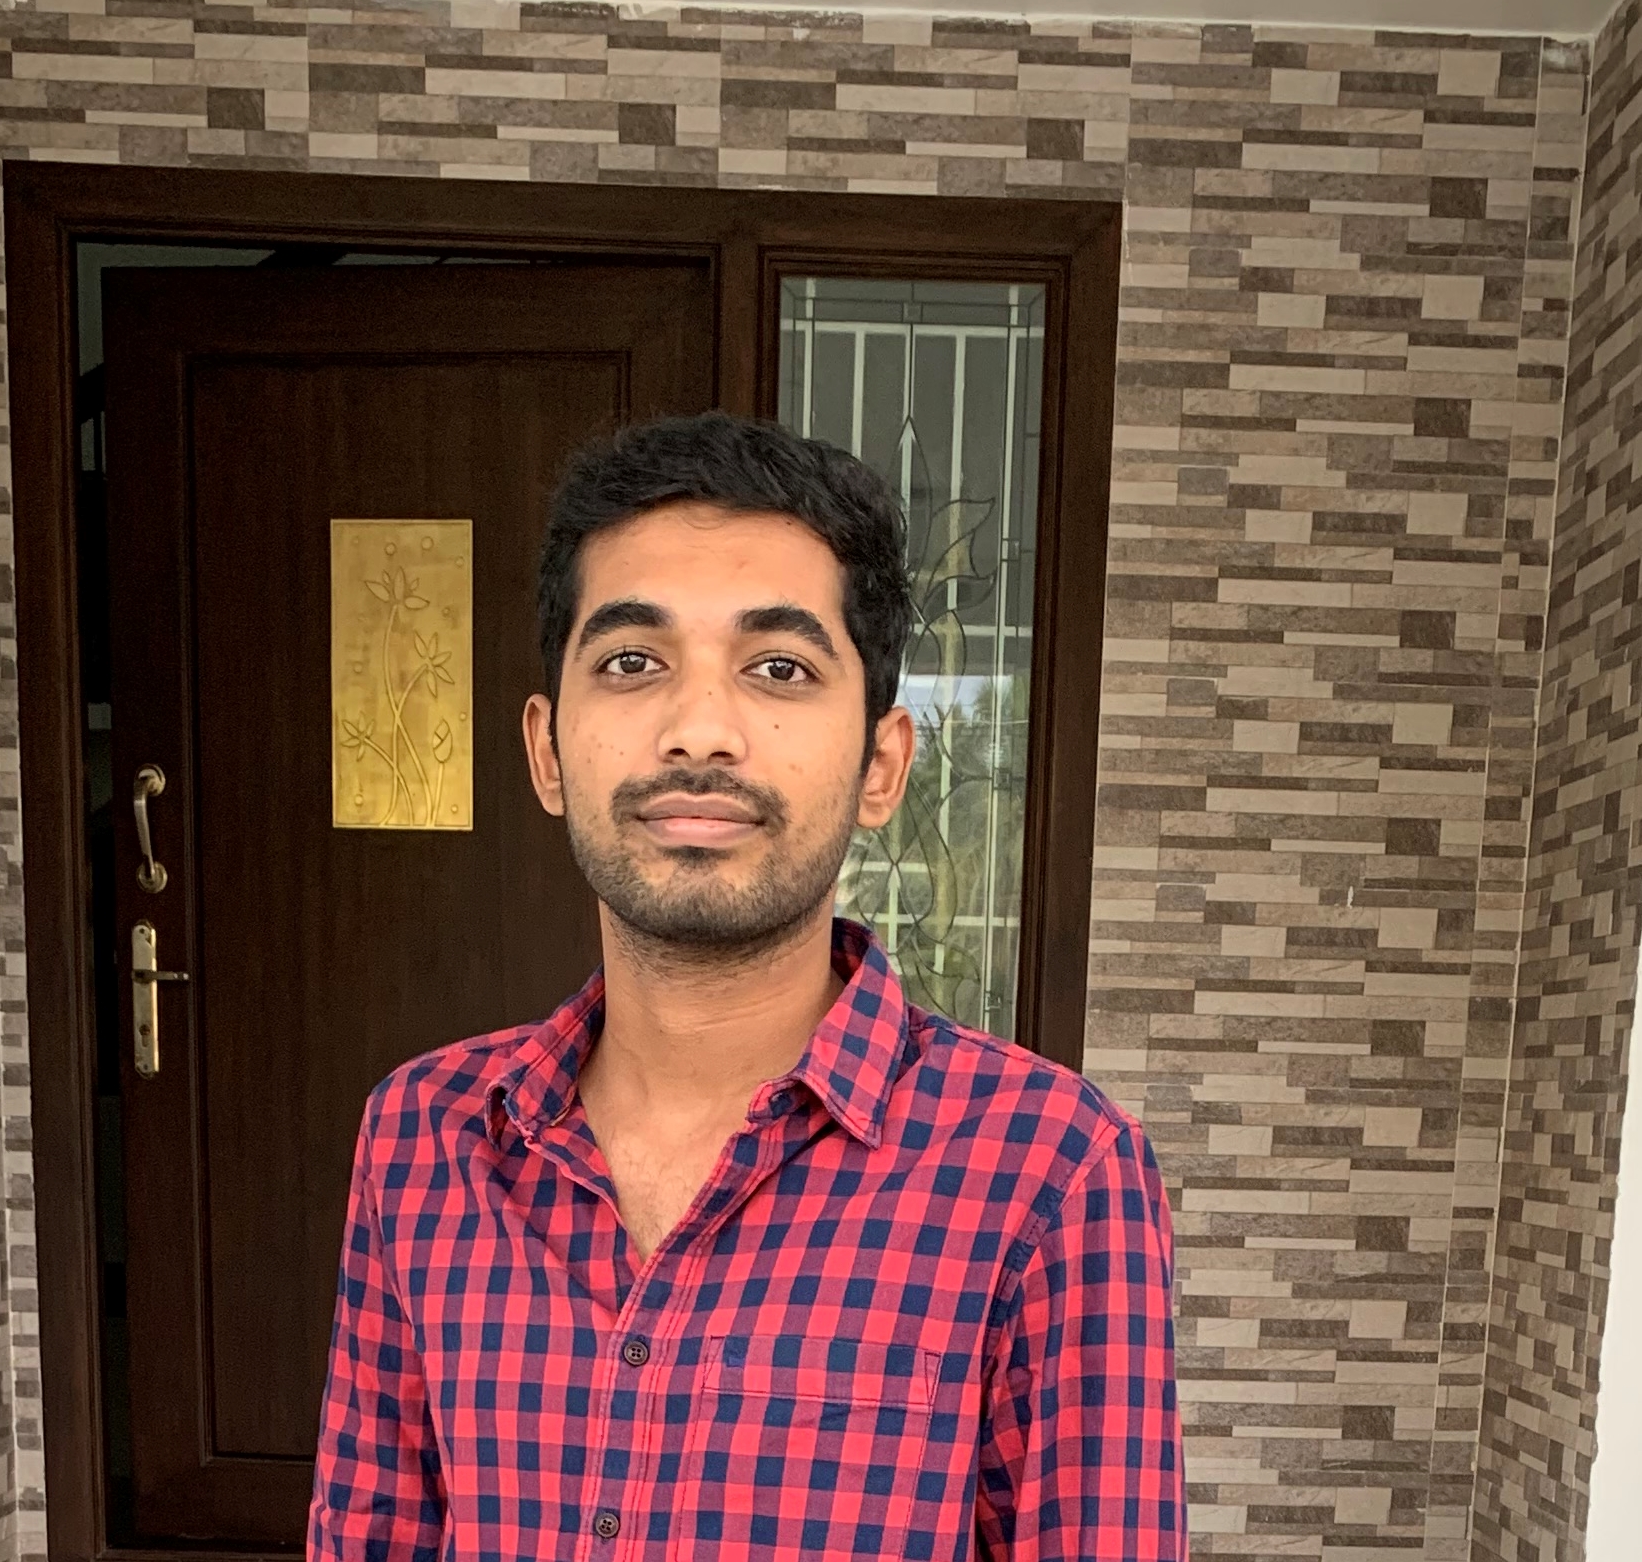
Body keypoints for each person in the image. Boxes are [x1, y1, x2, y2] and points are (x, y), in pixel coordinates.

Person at [308, 411, 1187, 1562]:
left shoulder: (1051, 1170)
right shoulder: (424, 1136)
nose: (699, 730)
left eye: (778, 667)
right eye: (632, 661)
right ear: (546, 751)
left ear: (879, 763)